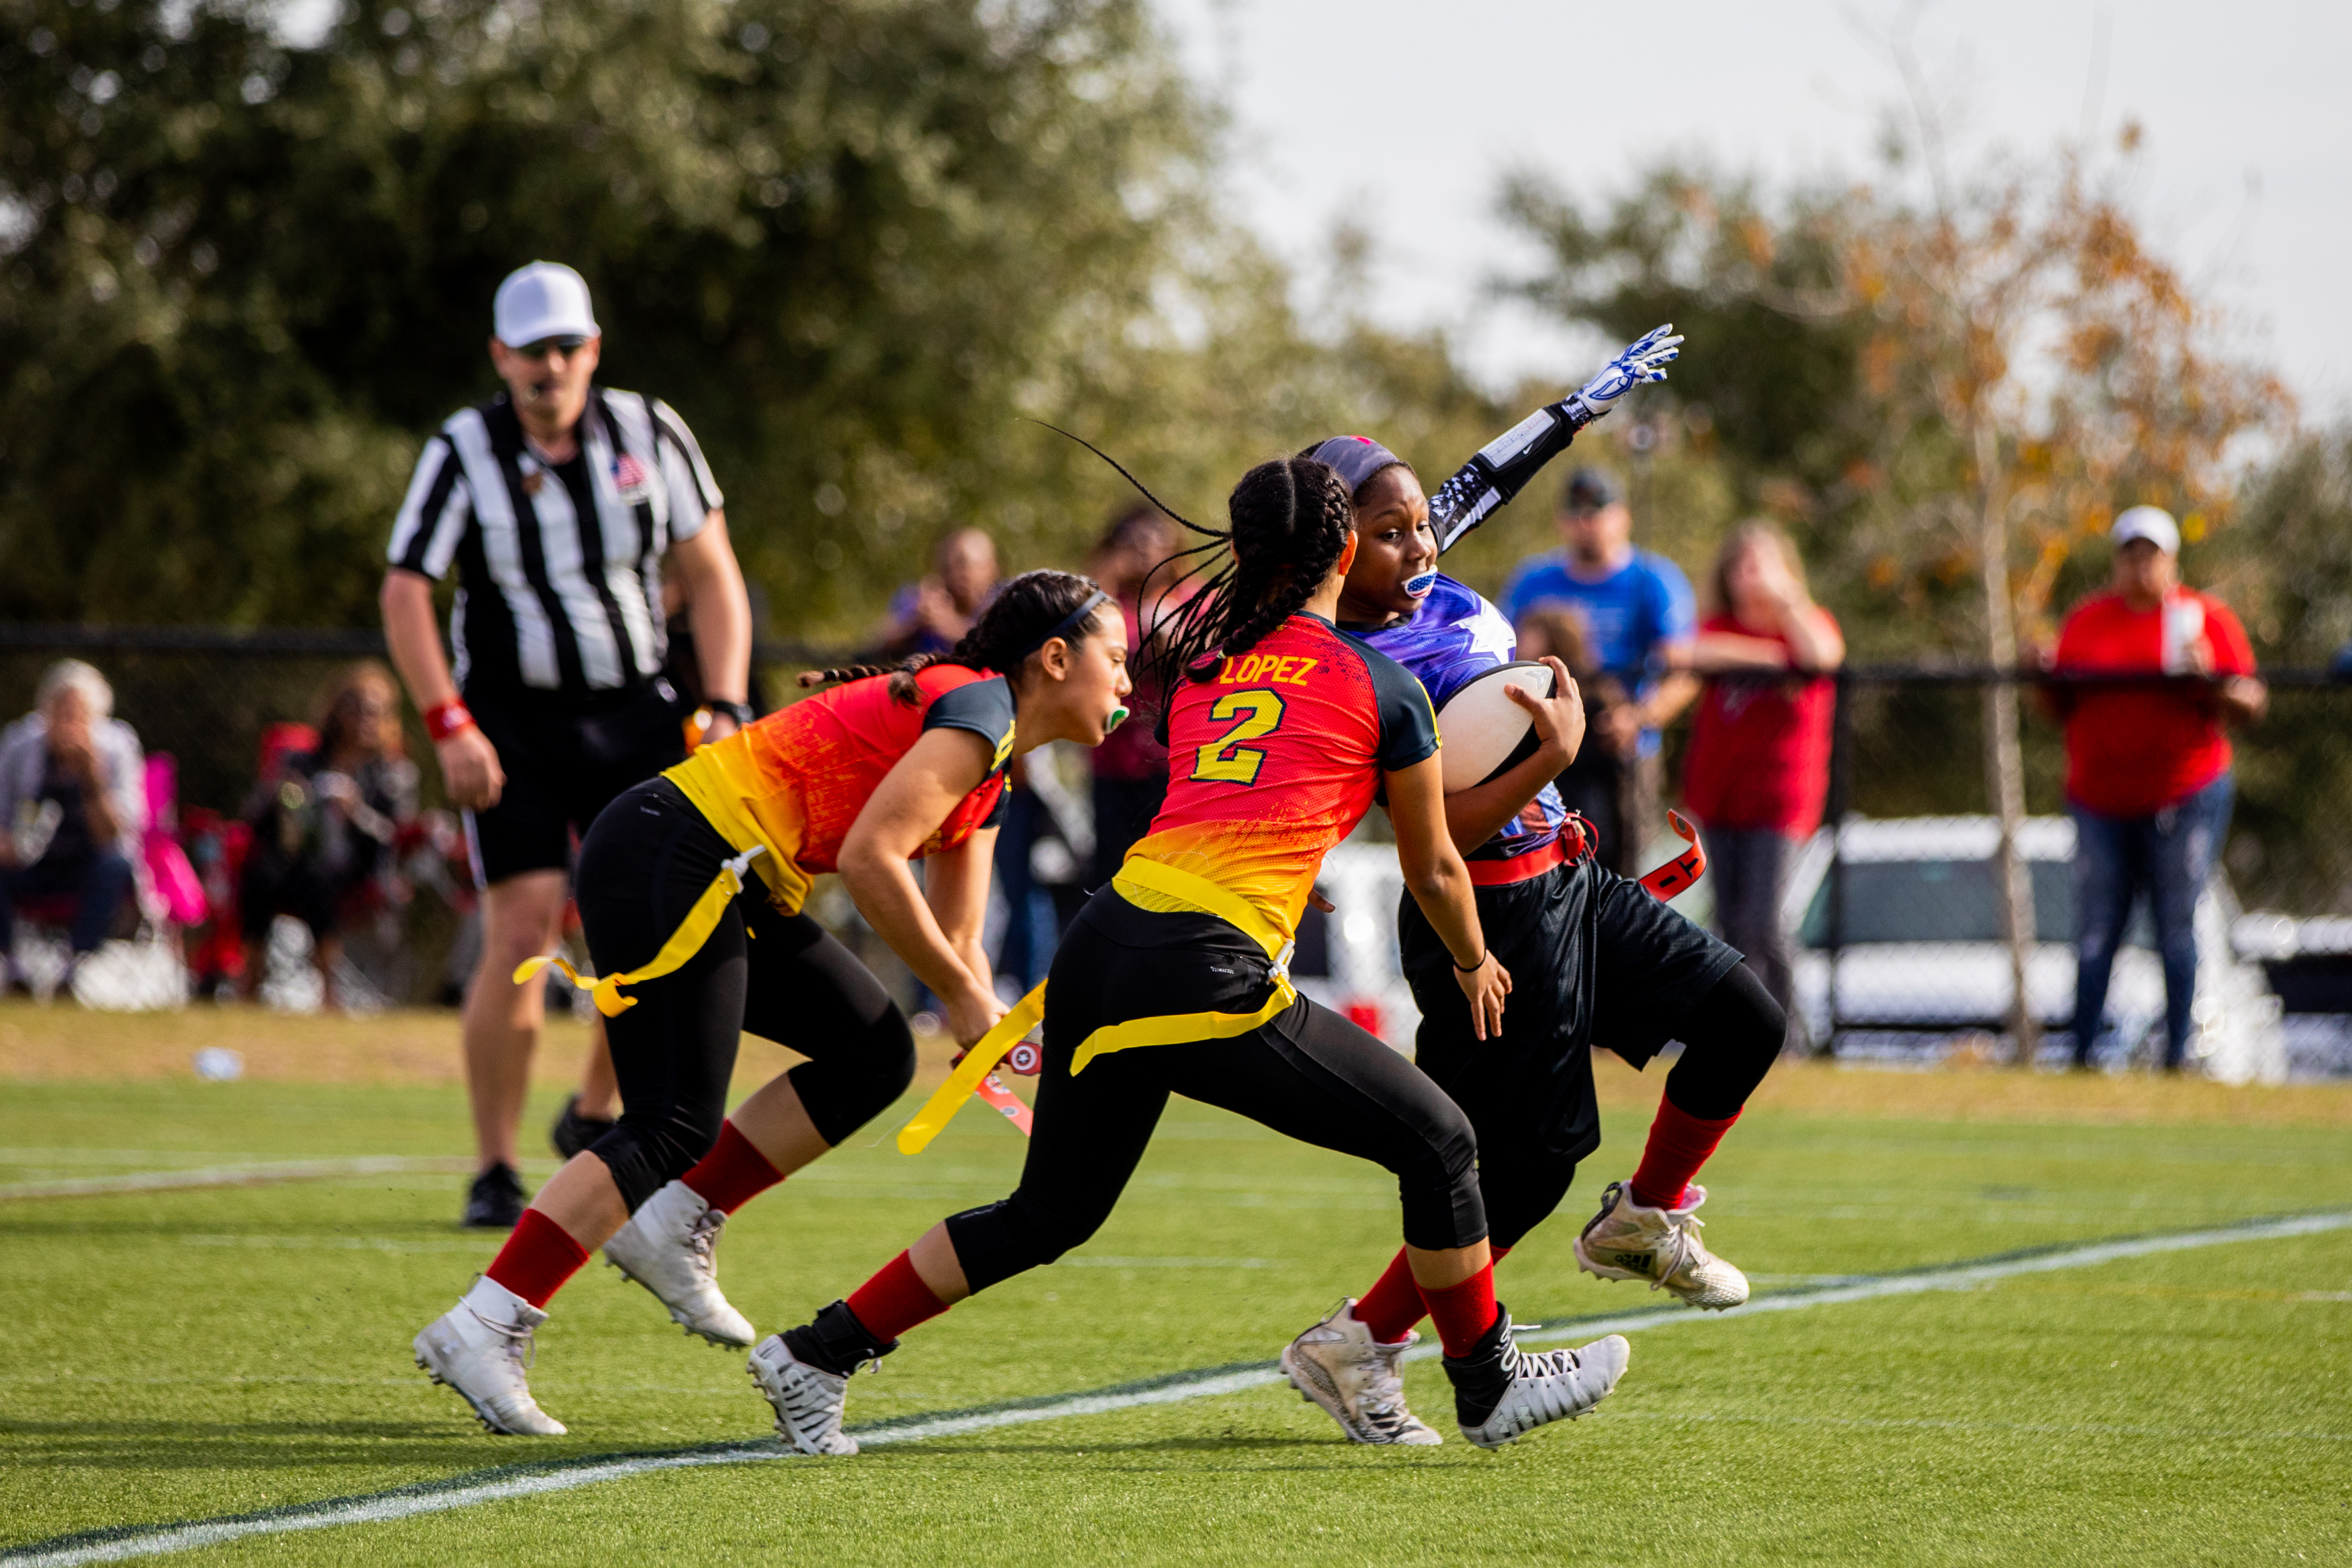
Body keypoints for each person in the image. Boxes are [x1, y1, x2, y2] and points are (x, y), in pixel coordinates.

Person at [749, 456, 1631, 1458]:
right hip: (1202, 969)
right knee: (1440, 1142)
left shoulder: (1209, 665)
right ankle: (1487, 1385)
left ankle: (813, 1354)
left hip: (1103, 945)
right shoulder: (1381, 686)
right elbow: (1432, 863)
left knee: (1049, 1212)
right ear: (1344, 549)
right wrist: (1483, 931)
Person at [412, 570, 1132, 1436]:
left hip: (726, 875)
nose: (1128, 683)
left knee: (873, 1051)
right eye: (1117, 658)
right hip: (672, 849)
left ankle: (672, 1221)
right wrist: (961, 997)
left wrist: (997, 1029)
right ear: (1055, 658)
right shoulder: (975, 710)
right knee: (670, 1120)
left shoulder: (993, 762)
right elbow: (872, 862)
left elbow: (960, 938)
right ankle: (485, 1320)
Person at [1285, 415, 1784, 1447]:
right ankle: (1359, 1340)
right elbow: (1433, 831)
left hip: (1570, 876)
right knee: (1515, 1169)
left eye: (1422, 524)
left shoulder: (1417, 566)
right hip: (1485, 911)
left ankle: (1645, 1215)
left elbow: (1486, 477)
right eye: (1391, 530)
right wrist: (1546, 760)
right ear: (1338, 545)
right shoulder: (1336, 652)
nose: (1422, 544)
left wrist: (1575, 409)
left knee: (1742, 1019)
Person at [381, 260, 754, 1228]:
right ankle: (495, 1169)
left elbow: (711, 572)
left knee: (655, 919)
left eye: (565, 347)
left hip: (636, 707)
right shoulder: (465, 449)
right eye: (530, 351)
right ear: (500, 357)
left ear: (592, 349)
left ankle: (594, 1109)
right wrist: (447, 721)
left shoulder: (649, 431)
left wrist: (719, 698)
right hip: (512, 720)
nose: (549, 366)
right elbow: (405, 590)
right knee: (522, 929)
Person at [2047, 506, 2264, 1072]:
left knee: (2177, 922)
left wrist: (2209, 674)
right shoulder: (2088, 620)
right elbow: (2055, 706)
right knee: (2098, 926)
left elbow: (2252, 702)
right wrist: (2039, 674)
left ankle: (2178, 1054)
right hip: (2101, 800)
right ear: (2117, 560)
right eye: (2131, 553)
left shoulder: (2202, 617)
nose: (2141, 564)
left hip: (2185, 793)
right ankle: (2082, 1053)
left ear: (2171, 560)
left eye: (2152, 553)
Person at [1681, 523, 1844, 1042]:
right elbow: (1689, 653)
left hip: (1781, 800)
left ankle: (1791, 1035)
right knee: (1728, 924)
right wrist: (1774, 661)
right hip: (1721, 795)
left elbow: (1821, 656)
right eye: (1743, 565)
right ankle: (1739, 1034)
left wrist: (1788, 599)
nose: (1753, 576)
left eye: (1764, 564)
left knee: (1767, 923)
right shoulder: (1720, 627)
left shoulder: (1806, 624)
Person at [1501, 467, 1701, 873]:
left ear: (1622, 516)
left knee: (1620, 873)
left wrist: (1640, 718)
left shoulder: (1653, 580)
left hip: (1620, 746)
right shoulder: (1533, 581)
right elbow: (1502, 658)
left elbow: (1682, 672)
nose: (1586, 522)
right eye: (1576, 512)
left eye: (1598, 511)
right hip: (1545, 747)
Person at [237, 663, 421, 1010]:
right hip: (293, 859)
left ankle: (329, 992)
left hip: (358, 871)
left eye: (375, 713)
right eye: (358, 711)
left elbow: (395, 837)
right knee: (259, 876)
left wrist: (356, 813)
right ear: (338, 713)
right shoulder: (302, 760)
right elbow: (254, 819)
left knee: (318, 879)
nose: (366, 721)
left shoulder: (394, 774)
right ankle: (249, 983)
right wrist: (282, 795)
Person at [0, 661, 145, 997]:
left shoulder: (116, 749)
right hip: (30, 864)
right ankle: (13, 967)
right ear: (44, 712)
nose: (68, 721)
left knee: (115, 866)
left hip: (87, 867)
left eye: (78, 713)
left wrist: (92, 777)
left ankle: (73, 967)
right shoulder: (20, 746)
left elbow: (115, 835)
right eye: (59, 711)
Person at [1085, 504, 1186, 884]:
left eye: (1153, 542)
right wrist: (1108, 574)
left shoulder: (1190, 599)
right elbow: (1079, 634)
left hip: (1173, 765)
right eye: (1132, 544)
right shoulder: (1106, 603)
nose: (1143, 551)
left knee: (1166, 874)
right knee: (1111, 874)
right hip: (1112, 764)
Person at [1515, 607, 1631, 872]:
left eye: (1530, 635)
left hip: (1587, 806)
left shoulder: (1592, 692)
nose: (1521, 641)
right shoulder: (1524, 691)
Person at [875, 527, 1001, 659]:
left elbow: (999, 645)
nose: (956, 573)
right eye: (947, 565)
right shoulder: (920, 598)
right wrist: (914, 621)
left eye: (964, 564)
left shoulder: (1005, 602)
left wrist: (949, 625)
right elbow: (878, 642)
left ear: (992, 567)